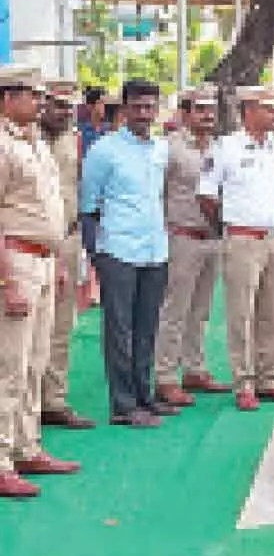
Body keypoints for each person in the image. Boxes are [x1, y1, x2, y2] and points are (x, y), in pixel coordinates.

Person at [0, 64, 81, 498]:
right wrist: (8, 281)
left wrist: (57, 260)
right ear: (8, 98)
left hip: (43, 260)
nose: (41, 103)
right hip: (16, 261)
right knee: (8, 366)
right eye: (33, 95)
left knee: (34, 362)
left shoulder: (34, 143)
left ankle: (27, 446)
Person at [80, 79, 173, 428]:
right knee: (119, 329)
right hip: (117, 249)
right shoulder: (104, 150)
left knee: (147, 327)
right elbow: (89, 204)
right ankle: (123, 405)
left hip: (154, 248)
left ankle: (145, 397)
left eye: (149, 107)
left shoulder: (161, 150)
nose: (143, 114)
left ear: (157, 109)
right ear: (124, 108)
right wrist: (96, 255)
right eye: (136, 107)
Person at [199, 86, 274, 412]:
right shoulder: (225, 147)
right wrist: (228, 229)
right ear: (249, 110)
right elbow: (207, 196)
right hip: (242, 238)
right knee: (241, 313)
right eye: (269, 109)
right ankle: (244, 382)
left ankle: (269, 378)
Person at [153, 85, 232, 407]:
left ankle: (195, 369)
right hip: (181, 235)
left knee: (201, 310)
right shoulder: (169, 148)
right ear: (185, 113)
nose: (208, 115)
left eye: (211, 109)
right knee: (175, 309)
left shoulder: (220, 147)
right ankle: (166, 376)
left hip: (212, 236)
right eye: (200, 109)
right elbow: (156, 193)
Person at [38, 80, 95, 430]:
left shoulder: (74, 139)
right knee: (26, 330)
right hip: (30, 244)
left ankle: (53, 400)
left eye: (68, 106)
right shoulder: (22, 141)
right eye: (57, 104)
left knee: (62, 324)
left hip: (68, 239)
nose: (63, 112)